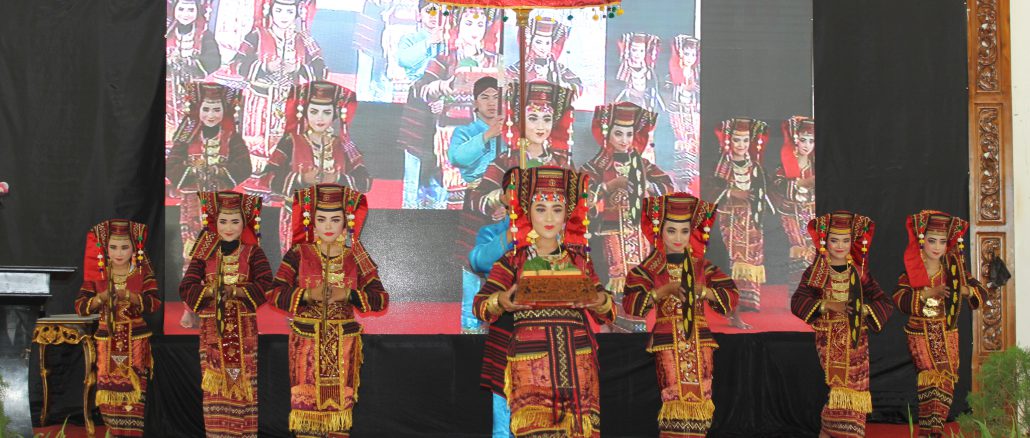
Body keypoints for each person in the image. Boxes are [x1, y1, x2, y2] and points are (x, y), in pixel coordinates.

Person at [474, 166, 615, 437]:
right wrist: (503, 300)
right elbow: (480, 305)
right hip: (532, 364)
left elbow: (608, 311)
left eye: (557, 209)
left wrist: (597, 300)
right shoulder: (513, 260)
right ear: (527, 213)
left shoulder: (579, 261)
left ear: (566, 215)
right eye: (540, 209)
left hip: (578, 363)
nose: (549, 218)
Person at [270, 184, 389, 437]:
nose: (328, 226)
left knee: (338, 416)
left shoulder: (355, 255)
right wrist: (307, 295)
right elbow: (275, 292)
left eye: (335, 219)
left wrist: (347, 294)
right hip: (306, 343)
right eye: (321, 219)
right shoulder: (299, 254)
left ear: (345, 222)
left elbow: (380, 299)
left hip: (343, 344)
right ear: (311, 222)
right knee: (307, 412)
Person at [623, 194, 738, 437]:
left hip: (700, 342)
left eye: (684, 231)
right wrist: (663, 291)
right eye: (671, 231)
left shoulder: (702, 266)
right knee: (673, 400)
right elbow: (631, 305)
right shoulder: (650, 269)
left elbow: (731, 295)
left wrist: (704, 291)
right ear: (660, 232)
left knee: (702, 401)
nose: (678, 238)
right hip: (669, 343)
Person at [178, 191, 273, 437]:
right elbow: (186, 287)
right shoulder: (204, 253)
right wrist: (210, 291)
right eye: (223, 221)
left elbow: (266, 285)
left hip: (244, 333)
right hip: (212, 334)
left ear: (244, 224)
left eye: (234, 221)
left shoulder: (253, 253)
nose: (228, 227)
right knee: (215, 391)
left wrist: (236, 291)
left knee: (244, 388)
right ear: (214, 223)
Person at [790, 211, 893, 438]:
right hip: (829, 339)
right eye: (835, 240)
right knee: (840, 388)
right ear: (825, 242)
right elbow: (797, 302)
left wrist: (863, 309)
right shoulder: (818, 272)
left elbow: (884, 301)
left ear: (852, 242)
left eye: (846, 240)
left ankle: (830, 432)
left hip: (857, 340)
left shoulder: (859, 272)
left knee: (856, 391)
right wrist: (828, 305)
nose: (840, 246)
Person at [892, 211, 984, 437]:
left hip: (947, 332)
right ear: (922, 241)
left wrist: (963, 290)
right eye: (932, 241)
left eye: (942, 242)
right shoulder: (913, 270)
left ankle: (934, 432)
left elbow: (981, 293)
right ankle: (929, 431)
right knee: (931, 382)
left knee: (945, 384)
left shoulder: (954, 270)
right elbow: (900, 299)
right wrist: (928, 293)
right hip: (920, 333)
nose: (937, 247)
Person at [404, 6, 501, 209]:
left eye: (480, 24)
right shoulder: (446, 58)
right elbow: (420, 88)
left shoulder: (494, 61)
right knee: (454, 193)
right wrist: (444, 87)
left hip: (486, 135)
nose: (475, 30)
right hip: (452, 133)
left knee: (483, 193)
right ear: (458, 25)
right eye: (469, 23)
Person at [75, 220, 161, 437]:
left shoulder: (142, 272)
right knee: (108, 394)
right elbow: (81, 307)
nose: (119, 253)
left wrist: (130, 296)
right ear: (105, 249)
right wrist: (100, 298)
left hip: (136, 341)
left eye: (124, 247)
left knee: (135, 395)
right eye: (113, 247)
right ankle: (113, 432)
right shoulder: (98, 274)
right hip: (107, 341)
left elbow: (154, 303)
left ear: (134, 248)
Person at [265, 81, 371, 254]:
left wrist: (338, 179)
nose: (320, 118)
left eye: (326, 112)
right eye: (314, 112)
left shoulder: (345, 145)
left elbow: (365, 182)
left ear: (334, 115)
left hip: (333, 223)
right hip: (297, 219)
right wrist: (301, 179)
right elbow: (267, 177)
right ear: (304, 113)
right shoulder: (291, 142)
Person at [581, 101, 673, 298]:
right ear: (607, 134)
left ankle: (639, 308)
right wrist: (609, 187)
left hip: (640, 229)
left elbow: (667, 186)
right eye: (618, 134)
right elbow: (583, 198)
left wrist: (646, 186)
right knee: (617, 274)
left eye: (629, 134)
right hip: (611, 228)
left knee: (642, 273)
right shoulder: (596, 166)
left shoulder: (643, 165)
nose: (624, 140)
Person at [168, 82, 252, 265]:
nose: (211, 115)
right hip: (192, 203)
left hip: (223, 202)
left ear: (224, 110)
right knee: (193, 247)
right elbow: (171, 165)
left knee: (224, 247)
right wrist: (192, 170)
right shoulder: (187, 136)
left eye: (216, 109)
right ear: (198, 110)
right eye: (206, 109)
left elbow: (245, 166)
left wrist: (219, 171)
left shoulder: (231, 137)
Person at [467, 81, 575, 221]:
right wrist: (500, 200)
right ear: (520, 122)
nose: (541, 126)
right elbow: (475, 198)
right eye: (533, 118)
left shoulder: (561, 162)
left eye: (547, 119)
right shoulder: (507, 161)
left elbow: (576, 200)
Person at [233, 0, 326, 163]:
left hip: (291, 103)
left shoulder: (304, 40)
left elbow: (322, 71)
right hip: (260, 103)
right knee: (256, 150)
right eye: (279, 11)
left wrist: (298, 68)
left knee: (287, 149)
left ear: (297, 13)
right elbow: (236, 64)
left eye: (289, 12)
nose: (284, 16)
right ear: (270, 11)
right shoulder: (257, 36)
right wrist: (265, 67)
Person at [712, 117, 772, 328]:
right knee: (735, 258)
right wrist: (733, 193)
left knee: (752, 256)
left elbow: (762, 190)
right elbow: (714, 190)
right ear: (729, 140)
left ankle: (748, 301)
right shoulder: (724, 164)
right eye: (737, 140)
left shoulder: (755, 166)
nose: (741, 145)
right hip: (731, 218)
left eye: (745, 140)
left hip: (751, 218)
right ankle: (733, 307)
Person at [165, 0, 221, 149]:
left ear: (197, 11)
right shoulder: (166, 32)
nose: (185, 14)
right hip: (168, 90)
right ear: (174, 10)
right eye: (181, 9)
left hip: (194, 89)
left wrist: (191, 63)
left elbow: (214, 60)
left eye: (190, 10)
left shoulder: (204, 35)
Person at [771, 116, 816, 287]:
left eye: (811, 141)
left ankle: (812, 292)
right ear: (795, 140)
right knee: (798, 249)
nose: (807, 145)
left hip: (812, 215)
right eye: (803, 140)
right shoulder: (783, 167)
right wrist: (801, 183)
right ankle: (799, 292)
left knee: (814, 250)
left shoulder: (814, 166)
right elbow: (777, 186)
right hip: (791, 215)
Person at [504, 17, 583, 97]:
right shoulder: (516, 69)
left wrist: (560, 85)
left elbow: (578, 86)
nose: (543, 47)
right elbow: (506, 88)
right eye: (538, 42)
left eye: (547, 43)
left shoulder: (559, 69)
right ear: (530, 43)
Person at [664, 35, 701, 192]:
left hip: (693, 115)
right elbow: (666, 95)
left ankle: (688, 181)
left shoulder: (696, 75)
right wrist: (682, 88)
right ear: (680, 54)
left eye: (693, 54)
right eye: (687, 54)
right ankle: (679, 181)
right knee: (681, 145)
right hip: (677, 113)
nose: (690, 58)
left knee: (692, 146)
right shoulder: (672, 74)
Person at [614, 33, 664, 112]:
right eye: (634, 50)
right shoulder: (625, 68)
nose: (638, 54)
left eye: (641, 51)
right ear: (629, 50)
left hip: (644, 99)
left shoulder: (648, 68)